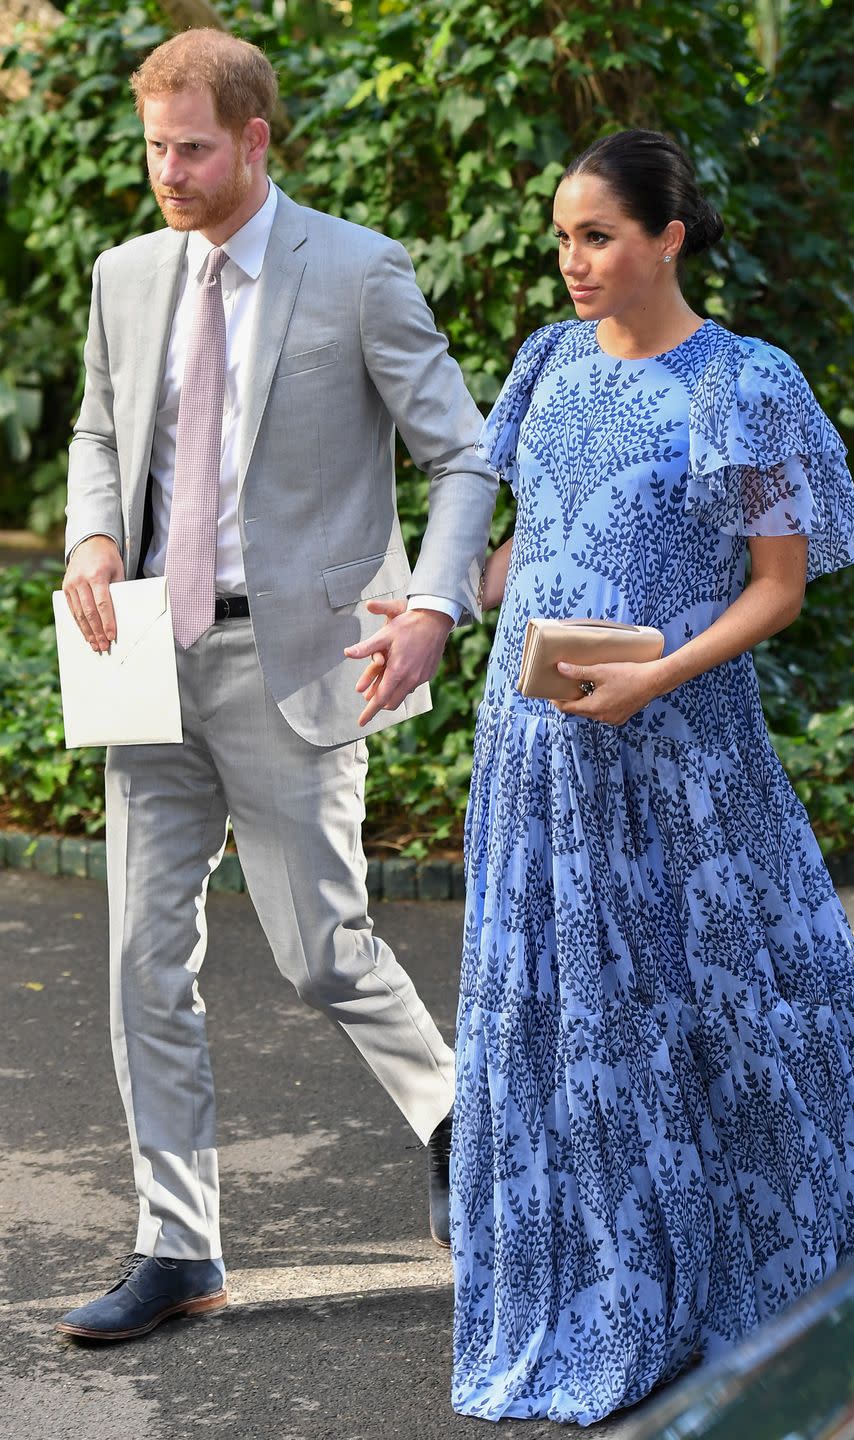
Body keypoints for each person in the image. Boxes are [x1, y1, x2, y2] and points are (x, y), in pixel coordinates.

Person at [447, 130, 854, 1424]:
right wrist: (430, 607)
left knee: (737, 1010)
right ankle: (609, 1287)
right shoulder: (546, 364)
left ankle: (801, 1290)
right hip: (537, 759)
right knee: (567, 1027)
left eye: (596, 236)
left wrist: (653, 676)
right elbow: (527, 537)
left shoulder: (742, 382)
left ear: (668, 237)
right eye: (560, 237)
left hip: (680, 753)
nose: (570, 261)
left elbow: (775, 590)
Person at [56, 28, 497, 1342]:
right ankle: (177, 1246)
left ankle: (453, 1114)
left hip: (299, 653)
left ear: (254, 140)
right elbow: (95, 430)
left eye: (193, 148)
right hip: (147, 649)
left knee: (319, 950)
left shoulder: (358, 272)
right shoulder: (126, 275)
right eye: (154, 148)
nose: (169, 172)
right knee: (144, 957)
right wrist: (88, 534)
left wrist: (430, 604)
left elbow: (462, 454)